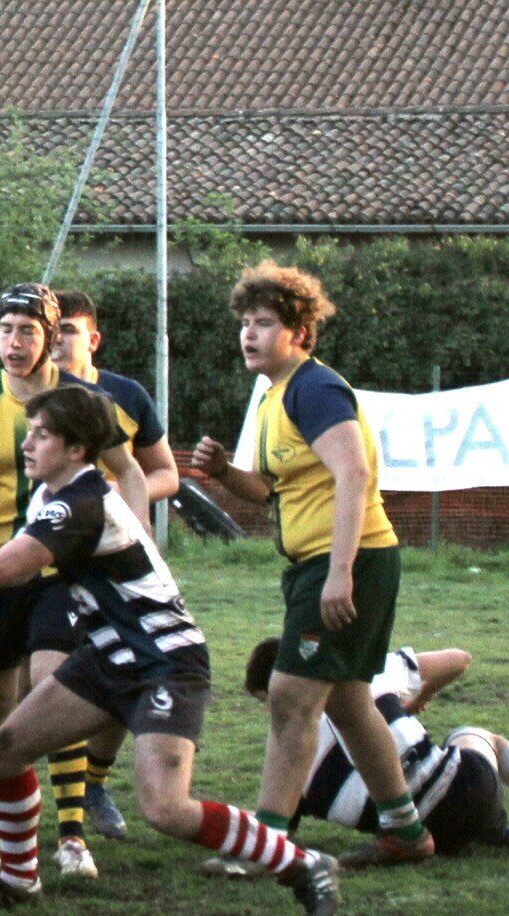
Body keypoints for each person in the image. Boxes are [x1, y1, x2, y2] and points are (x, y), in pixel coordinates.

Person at [0, 384, 341, 916]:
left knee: (165, 809)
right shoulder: (54, 495)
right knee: (6, 749)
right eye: (30, 432)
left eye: (42, 436)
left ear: (76, 449)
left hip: (164, 661)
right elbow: (14, 565)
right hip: (110, 656)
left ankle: (305, 864)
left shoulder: (80, 504)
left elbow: (3, 571)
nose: (27, 444)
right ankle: (18, 880)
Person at [185, 261, 435, 871]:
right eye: (246, 322)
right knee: (347, 701)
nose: (249, 333)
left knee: (290, 697)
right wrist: (223, 473)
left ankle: (267, 846)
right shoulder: (275, 396)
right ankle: (406, 833)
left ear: (300, 333)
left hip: (346, 559)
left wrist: (340, 571)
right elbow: (268, 490)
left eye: (265, 323)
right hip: (319, 563)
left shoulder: (314, 388)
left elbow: (354, 472)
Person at [0, 283, 148, 881]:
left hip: (61, 572)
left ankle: (72, 837)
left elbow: (131, 473)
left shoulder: (82, 401)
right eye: (6, 330)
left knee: (56, 689)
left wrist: (135, 545)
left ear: (50, 337)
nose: (14, 342)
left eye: (27, 330)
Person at [206, 640, 509, 876]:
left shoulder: (286, 761)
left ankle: (505, 835)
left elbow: (276, 833)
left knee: (427, 803)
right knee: (478, 737)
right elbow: (459, 659)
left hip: (421, 833)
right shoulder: (371, 673)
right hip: (466, 793)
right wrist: (420, 696)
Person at [52, 287, 184, 842]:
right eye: (50, 331)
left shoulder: (125, 395)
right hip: (50, 556)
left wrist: (115, 504)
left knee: (121, 665)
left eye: (68, 331)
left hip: (117, 559)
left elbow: (165, 473)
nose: (56, 342)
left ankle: (95, 782)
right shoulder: (32, 398)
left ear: (94, 339)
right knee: (51, 675)